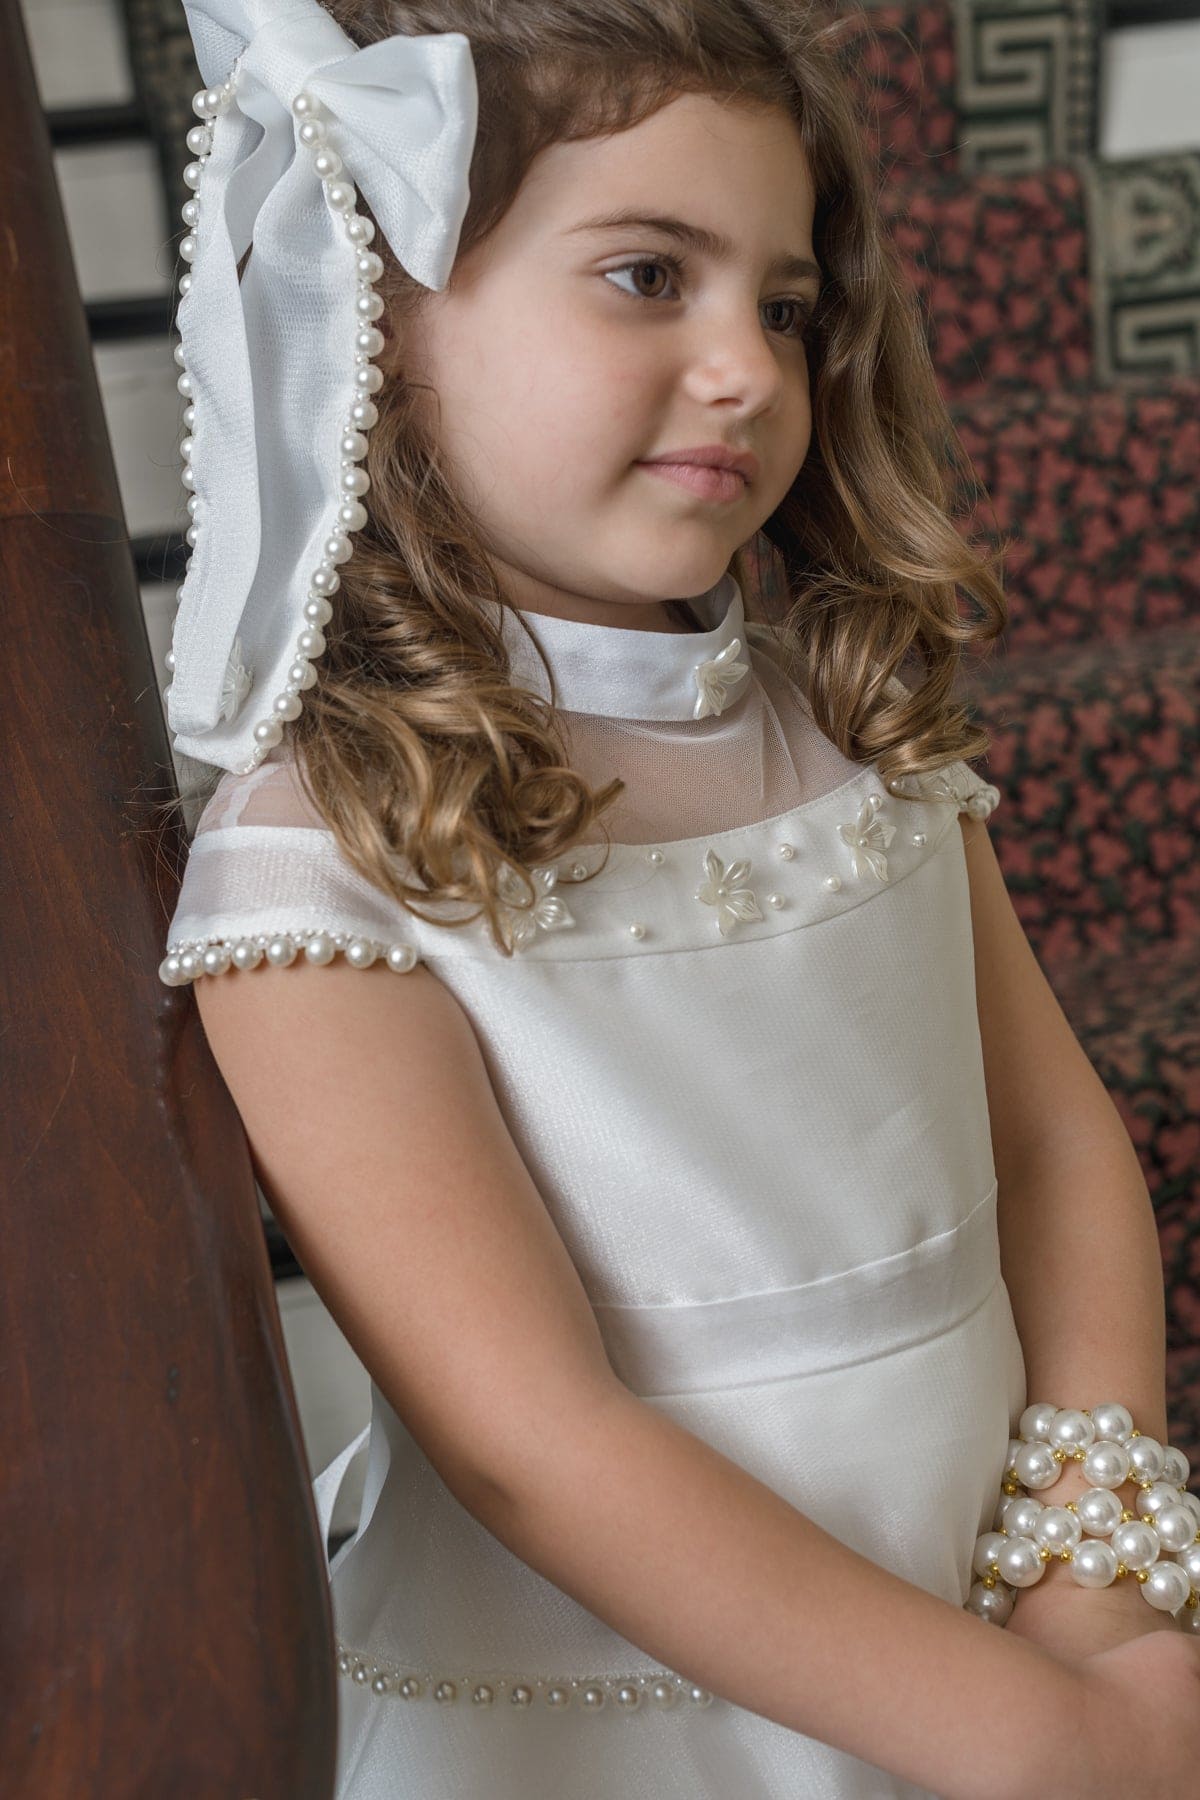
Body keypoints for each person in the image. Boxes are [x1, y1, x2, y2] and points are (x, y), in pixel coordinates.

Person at [158, 2, 1200, 1795]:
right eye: (649, 275)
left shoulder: (843, 714)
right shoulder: (322, 855)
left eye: (784, 308)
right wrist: (1021, 1736)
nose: (747, 368)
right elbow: (531, 1443)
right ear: (384, 320)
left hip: (1007, 1616)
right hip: (628, 1725)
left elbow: (1051, 1143)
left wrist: (1095, 1582)